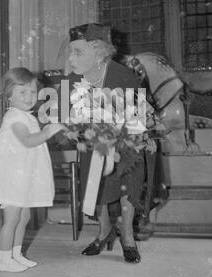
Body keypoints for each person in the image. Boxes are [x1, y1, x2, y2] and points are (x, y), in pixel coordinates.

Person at [65, 23, 152, 263]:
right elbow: (64, 117)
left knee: (129, 177)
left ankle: (127, 236)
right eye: (70, 52)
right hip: (93, 145)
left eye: (78, 52)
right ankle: (103, 232)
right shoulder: (71, 79)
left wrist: (116, 132)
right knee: (95, 175)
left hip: (126, 144)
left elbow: (138, 119)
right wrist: (79, 130)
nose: (71, 58)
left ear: (99, 52)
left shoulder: (125, 76)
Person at [0, 67, 65, 272]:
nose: (29, 96)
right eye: (23, 92)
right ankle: (3, 260)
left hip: (24, 174)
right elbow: (28, 141)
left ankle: (16, 254)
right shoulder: (14, 117)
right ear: (9, 95)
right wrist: (48, 131)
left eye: (32, 92)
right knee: (11, 218)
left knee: (24, 217)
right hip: (12, 176)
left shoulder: (27, 116)